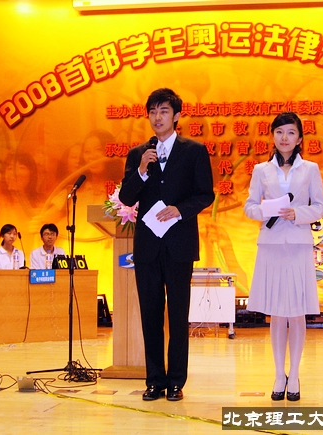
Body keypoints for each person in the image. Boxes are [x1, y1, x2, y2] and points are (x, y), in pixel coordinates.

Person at [119, 88, 214, 402]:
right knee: (150, 314)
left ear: (176, 116)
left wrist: (180, 210)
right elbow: (126, 198)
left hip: (178, 243)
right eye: (152, 112)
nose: (157, 117)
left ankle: (176, 381)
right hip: (147, 246)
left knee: (177, 314)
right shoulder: (138, 154)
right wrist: (141, 171)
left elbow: (205, 194)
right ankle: (154, 380)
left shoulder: (194, 151)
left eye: (163, 111)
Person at [244, 112, 323, 401]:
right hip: (270, 245)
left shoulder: (310, 169)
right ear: (272, 136)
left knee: (297, 311)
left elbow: (320, 206)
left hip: (298, 244)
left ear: (300, 138)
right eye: (279, 132)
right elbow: (250, 206)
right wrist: (266, 210)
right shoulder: (261, 170)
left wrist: (297, 213)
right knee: (277, 312)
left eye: (291, 132)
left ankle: (295, 374)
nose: (284, 137)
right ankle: (279, 374)